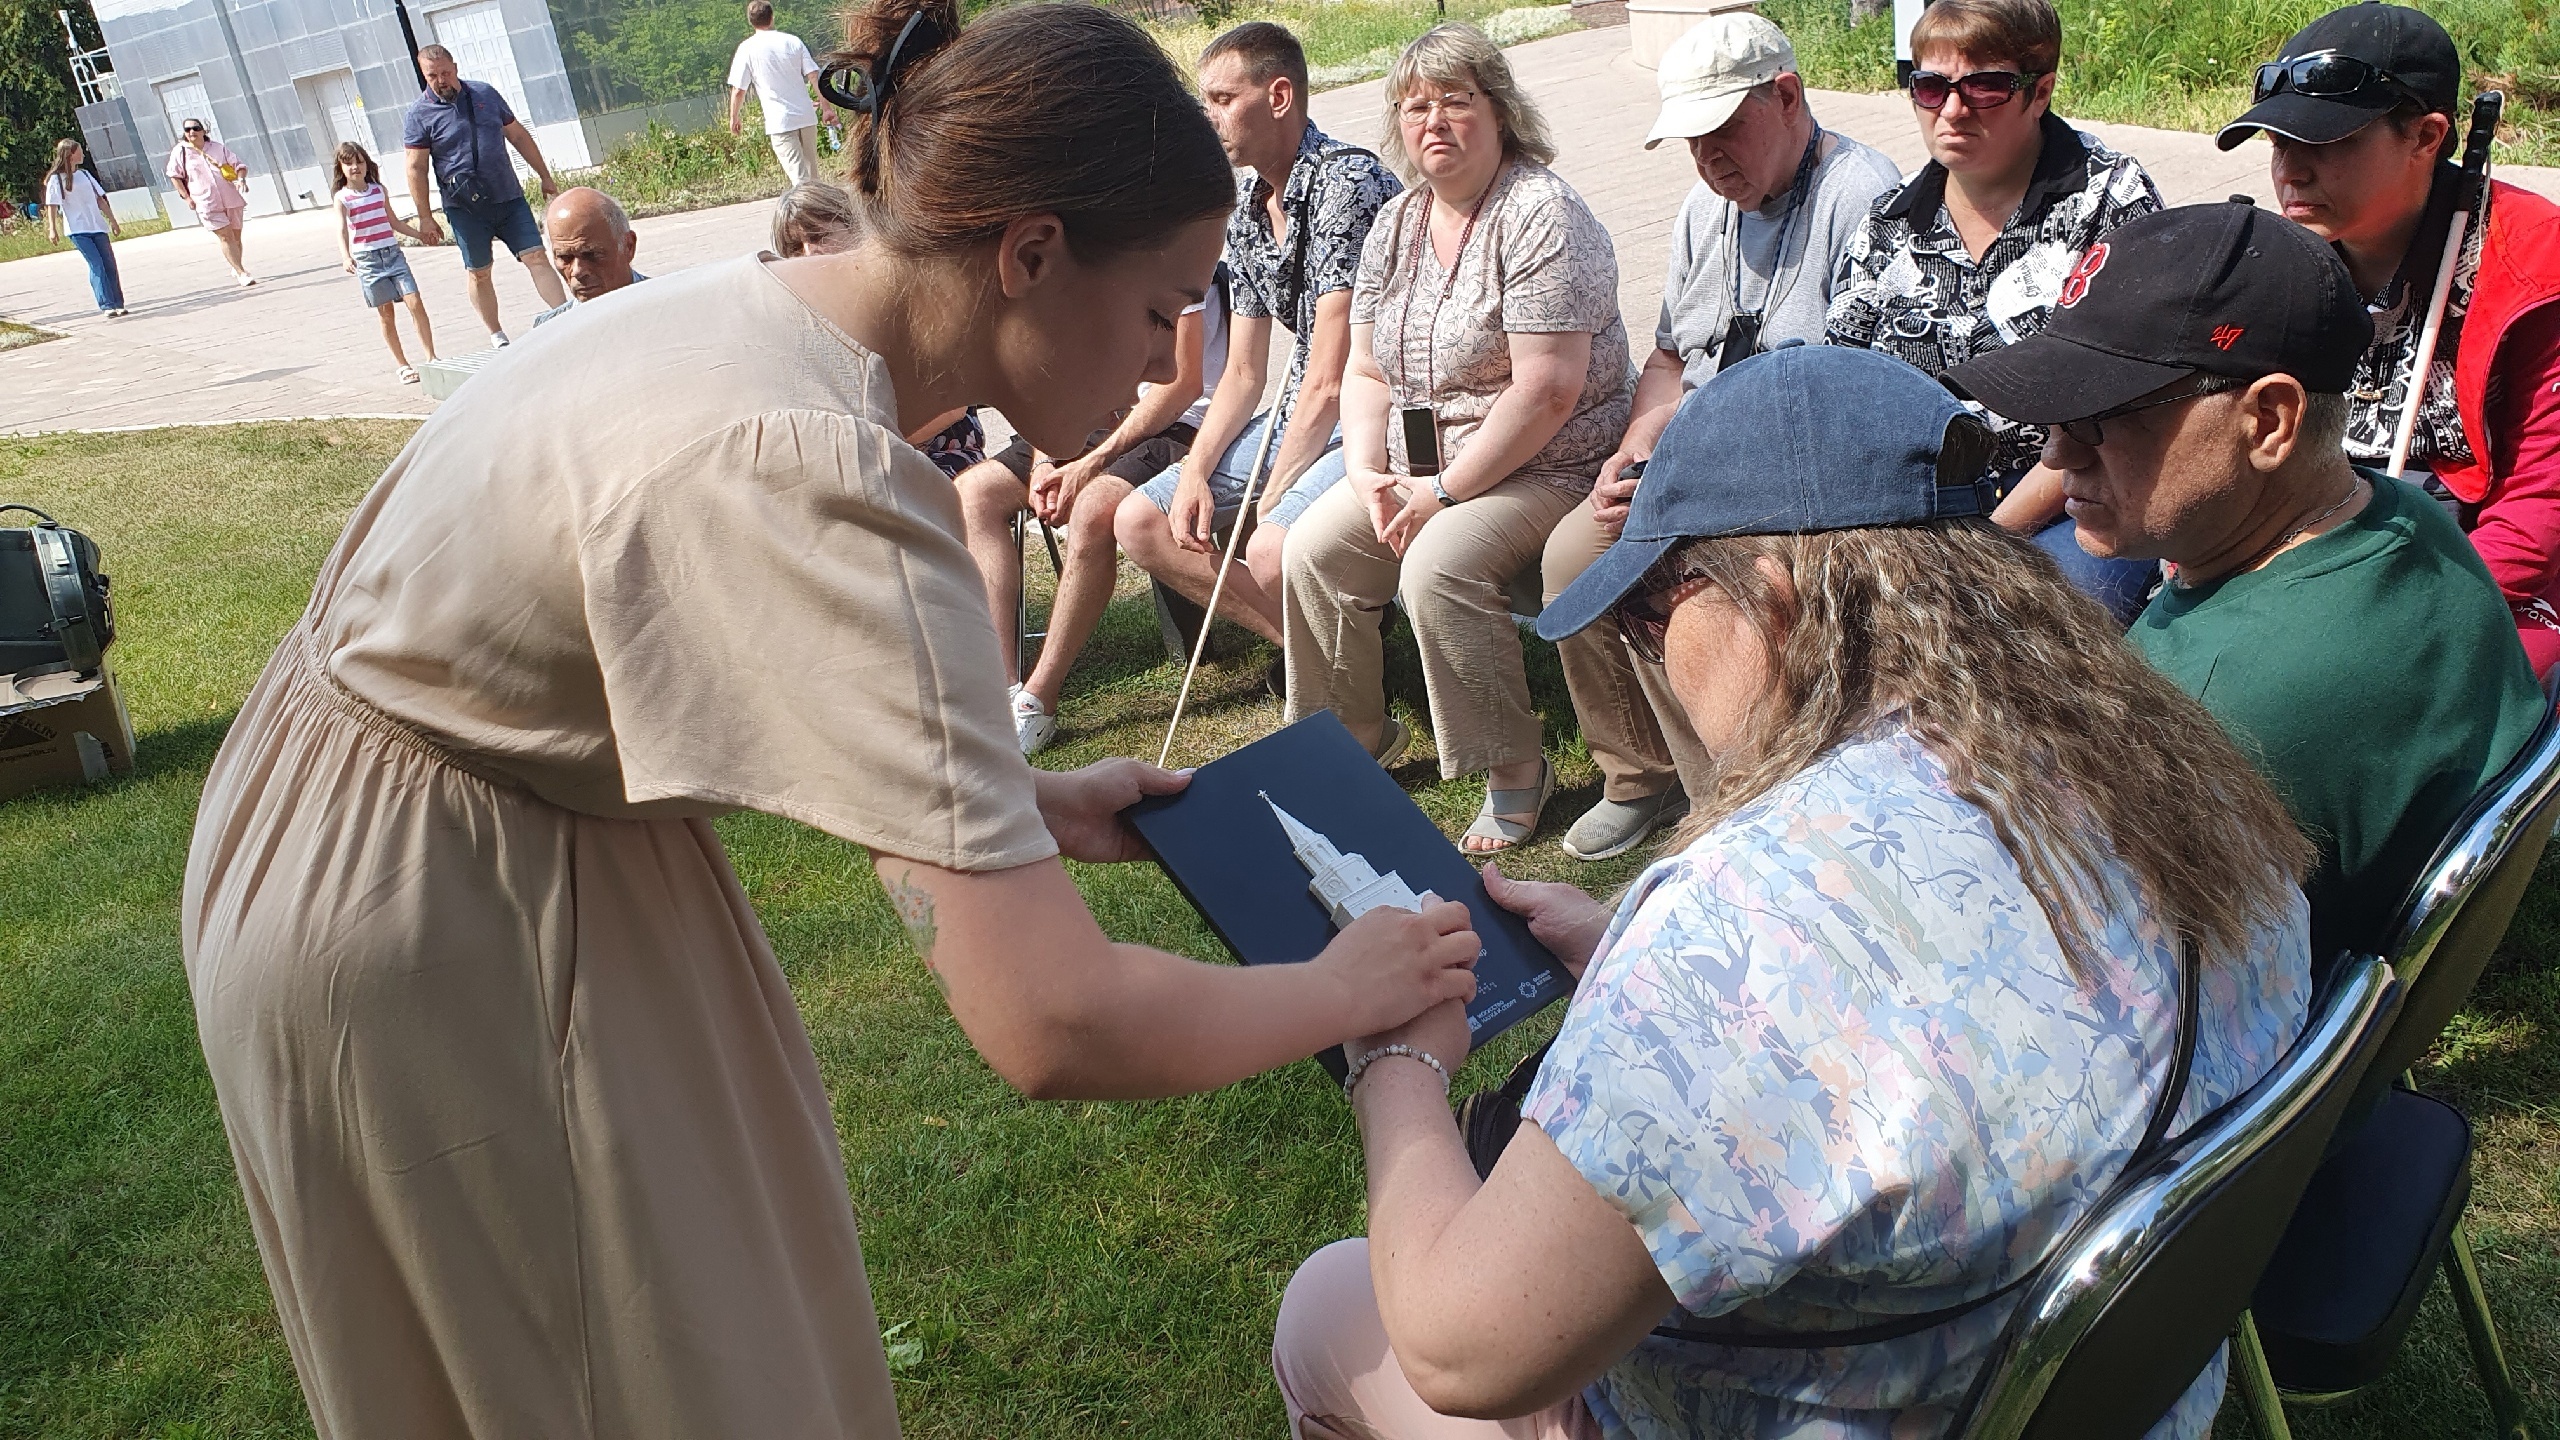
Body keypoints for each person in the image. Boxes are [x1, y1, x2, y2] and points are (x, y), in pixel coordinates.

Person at [178, 4, 1483, 1437]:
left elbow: (653, 653)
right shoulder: (827, 474)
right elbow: (1053, 1019)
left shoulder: (765, 319)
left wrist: (1018, 803)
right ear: (1031, 252)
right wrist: (1349, 993)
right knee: (625, 1369)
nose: (1169, 359)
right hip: (437, 926)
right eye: (1163, 306)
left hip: (434, 840)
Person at [1271, 345, 2315, 1439]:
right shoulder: (2172, 773)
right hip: (2101, 1396)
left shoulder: (1747, 920)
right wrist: (1633, 957)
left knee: (1331, 1311)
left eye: (1649, 616)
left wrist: (1394, 1055)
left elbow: (1459, 1347)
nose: (1650, 655)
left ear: (1769, 602)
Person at [1949, 200, 2546, 964]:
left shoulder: (2212, 709)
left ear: (2268, 421)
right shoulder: (2401, 517)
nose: (2059, 454)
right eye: (2054, 417)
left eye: (2099, 415)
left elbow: (2072, 943)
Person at [1540, 13, 1898, 861]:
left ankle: (1746, 798)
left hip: (1797, 478)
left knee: (1691, 585)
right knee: (1572, 558)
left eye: (1722, 130)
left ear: (1787, 96)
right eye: (1690, 140)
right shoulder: (1708, 205)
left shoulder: (1863, 196)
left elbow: (1853, 399)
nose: (1706, 158)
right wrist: (1641, 437)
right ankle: (1648, 776)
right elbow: (1667, 357)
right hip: (1697, 459)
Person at [1283, 23, 1631, 854]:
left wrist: (1440, 493)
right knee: (1314, 550)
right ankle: (1350, 740)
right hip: (1417, 467)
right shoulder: (1397, 223)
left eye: (1455, 101)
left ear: (1499, 113)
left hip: (1553, 463)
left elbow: (1548, 389)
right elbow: (1365, 371)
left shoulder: (1542, 212)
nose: (1433, 121)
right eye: (1414, 106)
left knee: (1438, 563)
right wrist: (1369, 472)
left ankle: (1514, 766)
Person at [2209, 2, 2560, 678]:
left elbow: (2539, 508)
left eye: (2331, 143)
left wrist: (2401, 618)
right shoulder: (2274, 257)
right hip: (2311, 536)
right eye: (2280, 143)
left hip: (2469, 560)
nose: (2292, 172)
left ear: (2426, 137)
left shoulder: (2535, 268)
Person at [1824, 0, 2163, 624]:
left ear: (2041, 93)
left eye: (1984, 86)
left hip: (2076, 494)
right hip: (1921, 504)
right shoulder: (1885, 227)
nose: (1952, 110)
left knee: (2039, 631)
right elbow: (1845, 390)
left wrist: (1984, 542)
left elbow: (2120, 401)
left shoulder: (2108, 201)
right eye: (1930, 87)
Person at [1113, 21, 1400, 652]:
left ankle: (1349, 684)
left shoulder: (1346, 186)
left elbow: (1329, 380)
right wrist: (1195, 471)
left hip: (1374, 415)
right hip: (1306, 413)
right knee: (1140, 519)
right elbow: (1244, 373)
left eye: (1221, 100)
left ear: (1278, 97)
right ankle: (1324, 657)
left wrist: (1266, 503)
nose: (1208, 118)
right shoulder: (1246, 206)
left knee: (1271, 538)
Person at [960, 270, 1228, 753]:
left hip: (1176, 427)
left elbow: (1182, 386)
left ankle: (1038, 700)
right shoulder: (1095, 255)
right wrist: (1045, 459)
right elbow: (1059, 371)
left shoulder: (1185, 261)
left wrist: (1089, 463)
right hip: (1099, 419)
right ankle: (1004, 689)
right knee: (973, 494)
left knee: (1092, 508)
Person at [769, 178, 993, 477]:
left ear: (854, 226)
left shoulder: (906, 293)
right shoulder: (804, 324)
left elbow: (953, 406)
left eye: (819, 235)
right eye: (795, 248)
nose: (810, 253)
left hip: (939, 449)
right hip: (862, 464)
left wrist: (879, 449)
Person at [403, 43, 569, 349]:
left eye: (446, 73)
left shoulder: (485, 95)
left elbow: (517, 135)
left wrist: (545, 176)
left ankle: (563, 317)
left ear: (455, 67)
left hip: (507, 196)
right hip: (464, 208)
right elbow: (416, 168)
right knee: (479, 272)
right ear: (424, 76)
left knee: (535, 255)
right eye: (433, 75)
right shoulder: (419, 114)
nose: (441, 80)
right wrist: (425, 216)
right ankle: (496, 333)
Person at [331, 141, 437, 382]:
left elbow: (394, 222)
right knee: (386, 313)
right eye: (348, 163)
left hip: (392, 254)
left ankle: (431, 357)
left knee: (414, 302)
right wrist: (345, 256)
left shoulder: (378, 190)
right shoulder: (343, 198)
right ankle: (403, 365)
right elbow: (341, 230)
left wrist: (420, 235)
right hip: (368, 261)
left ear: (367, 164)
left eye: (359, 161)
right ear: (341, 167)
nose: (355, 167)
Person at [728, 0, 837, 187]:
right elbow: (814, 76)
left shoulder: (746, 49)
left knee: (800, 180)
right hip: (806, 116)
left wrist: (734, 117)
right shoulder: (793, 41)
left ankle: (809, 214)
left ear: (750, 21)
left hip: (780, 122)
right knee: (813, 177)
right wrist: (826, 107)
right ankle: (821, 212)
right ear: (772, 17)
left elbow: (739, 90)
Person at [531, 187, 646, 326]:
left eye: (591, 254)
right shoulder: (549, 332)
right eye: (565, 257)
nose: (578, 271)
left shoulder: (670, 308)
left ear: (628, 246)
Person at [165, 117, 255, 286]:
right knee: (226, 237)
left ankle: (236, 265)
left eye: (196, 128)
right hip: (206, 201)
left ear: (203, 130)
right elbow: (174, 175)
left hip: (231, 198)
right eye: (187, 129)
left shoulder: (217, 148)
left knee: (236, 237)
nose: (192, 132)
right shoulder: (181, 151)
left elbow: (239, 165)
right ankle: (241, 272)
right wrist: (186, 197)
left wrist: (241, 179)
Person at [42, 140, 125, 316]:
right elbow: (52, 205)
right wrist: (52, 229)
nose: (83, 154)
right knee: (97, 264)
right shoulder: (56, 179)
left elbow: (100, 200)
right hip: (78, 230)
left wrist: (112, 221)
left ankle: (118, 302)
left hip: (97, 226)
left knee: (109, 264)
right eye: (80, 151)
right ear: (71, 154)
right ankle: (107, 305)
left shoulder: (85, 175)